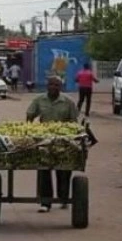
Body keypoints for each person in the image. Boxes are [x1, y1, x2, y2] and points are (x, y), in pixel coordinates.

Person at [26, 76, 79, 212]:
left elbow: (74, 122)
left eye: (57, 85)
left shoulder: (68, 102)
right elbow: (30, 115)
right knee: (44, 170)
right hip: (44, 139)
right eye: (51, 85)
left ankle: (63, 198)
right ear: (47, 86)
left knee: (63, 170)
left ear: (60, 87)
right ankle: (45, 202)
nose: (53, 87)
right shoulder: (39, 100)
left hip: (63, 139)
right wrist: (28, 129)